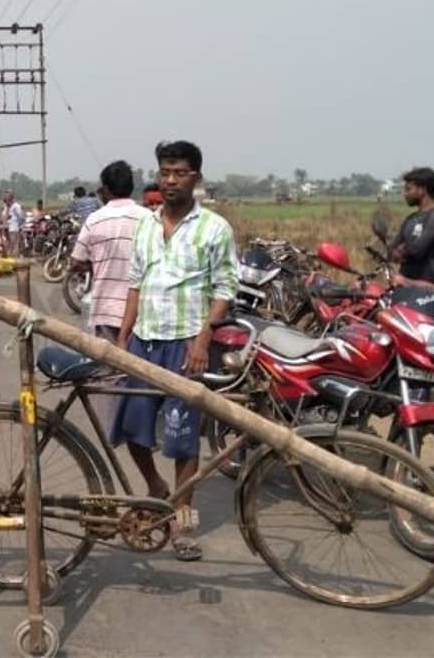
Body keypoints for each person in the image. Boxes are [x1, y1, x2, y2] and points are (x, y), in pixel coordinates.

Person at [114, 140, 238, 562]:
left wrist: (204, 339)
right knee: (133, 429)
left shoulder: (214, 228)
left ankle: (183, 520)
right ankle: (156, 487)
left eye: (179, 173)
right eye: (164, 172)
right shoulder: (146, 224)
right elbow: (135, 282)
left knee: (183, 438)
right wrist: (123, 337)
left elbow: (224, 288)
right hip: (144, 341)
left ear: (195, 178)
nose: (170, 180)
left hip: (186, 345)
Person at [71, 160, 152, 341]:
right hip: (143, 310)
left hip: (106, 308)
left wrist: (94, 266)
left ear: (106, 190)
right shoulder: (149, 218)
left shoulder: (94, 220)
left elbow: (75, 262)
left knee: (108, 357)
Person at [388, 167, 434, 287]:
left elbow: (416, 250)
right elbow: (391, 250)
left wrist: (402, 250)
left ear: (422, 190)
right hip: (402, 284)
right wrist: (397, 251)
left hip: (427, 287)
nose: (404, 194)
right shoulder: (410, 219)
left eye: (408, 189)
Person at [1, 190, 25, 256]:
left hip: (13, 229)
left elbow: (21, 217)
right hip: (5, 229)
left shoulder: (16, 206)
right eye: (5, 197)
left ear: (11, 197)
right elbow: (3, 217)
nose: (5, 198)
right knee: (7, 246)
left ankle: (15, 258)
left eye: (7, 197)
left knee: (14, 245)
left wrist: (19, 226)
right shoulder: (5, 207)